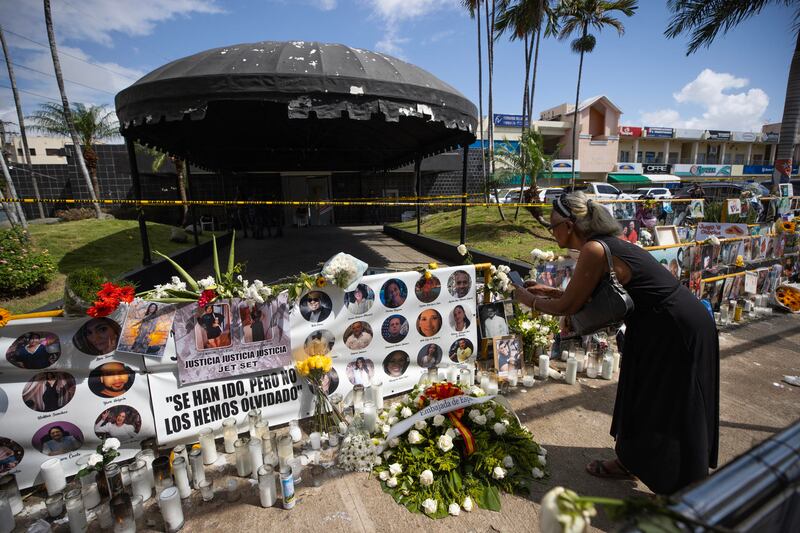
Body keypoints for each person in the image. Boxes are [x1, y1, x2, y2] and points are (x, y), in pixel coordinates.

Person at [513, 192, 719, 495]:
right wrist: (548, 291)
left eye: (553, 225)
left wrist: (526, 298)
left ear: (569, 225)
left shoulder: (595, 249)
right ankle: (631, 460)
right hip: (652, 326)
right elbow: (586, 296)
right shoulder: (601, 246)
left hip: (676, 329)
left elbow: (568, 307)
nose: (551, 231)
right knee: (640, 395)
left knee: (673, 403)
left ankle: (682, 485)